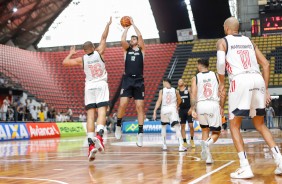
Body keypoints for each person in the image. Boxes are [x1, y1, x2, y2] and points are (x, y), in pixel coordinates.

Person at [217, 17, 282, 178]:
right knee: (260, 124)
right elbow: (266, 64)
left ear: (226, 28)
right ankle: (280, 160)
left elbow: (220, 64)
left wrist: (221, 83)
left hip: (240, 80)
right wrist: (265, 89)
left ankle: (245, 166)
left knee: (234, 125)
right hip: (257, 79)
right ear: (237, 28)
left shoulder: (223, 42)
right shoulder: (249, 41)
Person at [62, 17, 112, 161]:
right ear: (93, 47)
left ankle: (90, 145)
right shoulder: (100, 52)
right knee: (102, 111)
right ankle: (99, 136)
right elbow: (104, 37)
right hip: (101, 84)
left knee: (90, 116)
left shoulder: (81, 59)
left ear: (84, 50)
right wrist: (107, 24)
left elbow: (64, 63)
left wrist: (71, 53)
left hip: (89, 87)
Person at [115, 17, 146, 147]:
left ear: (137, 42)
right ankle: (118, 125)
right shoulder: (126, 51)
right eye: (131, 39)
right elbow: (122, 40)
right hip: (127, 79)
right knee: (123, 104)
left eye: (134, 39)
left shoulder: (142, 50)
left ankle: (140, 134)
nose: (132, 40)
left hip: (139, 79)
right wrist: (126, 28)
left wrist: (133, 24)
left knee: (140, 107)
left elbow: (140, 35)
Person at [190, 58, 222, 164]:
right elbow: (222, 91)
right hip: (212, 104)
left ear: (199, 65)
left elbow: (193, 94)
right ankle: (207, 143)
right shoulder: (216, 75)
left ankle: (208, 158)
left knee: (205, 130)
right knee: (216, 132)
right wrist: (221, 106)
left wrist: (193, 109)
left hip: (201, 105)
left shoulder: (195, 78)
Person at [153, 78, 187, 152]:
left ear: (165, 82)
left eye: (163, 82)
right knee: (177, 127)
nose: (163, 84)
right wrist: (177, 106)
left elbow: (159, 101)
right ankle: (181, 146)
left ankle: (164, 145)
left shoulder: (161, 91)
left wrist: (155, 111)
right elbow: (180, 100)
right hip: (172, 109)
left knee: (163, 127)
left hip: (164, 109)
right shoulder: (175, 91)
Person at [178, 78, 195, 148]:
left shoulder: (188, 89)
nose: (180, 82)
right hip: (181, 110)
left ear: (183, 82)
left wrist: (192, 108)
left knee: (191, 125)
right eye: (179, 81)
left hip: (188, 109)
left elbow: (192, 98)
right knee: (182, 126)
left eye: (181, 81)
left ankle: (192, 139)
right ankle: (184, 141)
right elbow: (177, 101)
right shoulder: (177, 92)